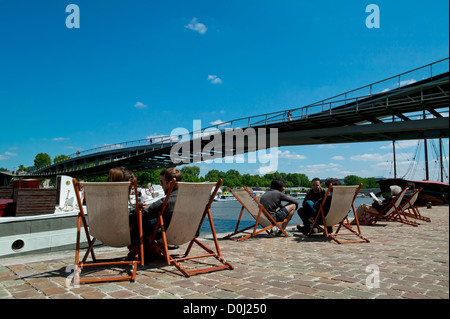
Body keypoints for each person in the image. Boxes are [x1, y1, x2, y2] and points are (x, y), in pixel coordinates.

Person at [128, 167, 182, 260]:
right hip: (189, 233)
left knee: (138, 221)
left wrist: (133, 211)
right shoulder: (193, 199)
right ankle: (151, 249)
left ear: (169, 183)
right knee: (153, 220)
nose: (160, 185)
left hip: (166, 234)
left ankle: (140, 251)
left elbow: (144, 214)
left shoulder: (166, 201)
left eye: (161, 182)